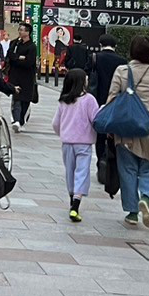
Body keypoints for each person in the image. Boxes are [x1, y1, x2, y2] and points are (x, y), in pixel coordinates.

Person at [107, 35, 149, 228]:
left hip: (127, 126)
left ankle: (132, 212)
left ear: (132, 51)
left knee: (127, 169)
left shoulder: (122, 70)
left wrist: (110, 125)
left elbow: (112, 98)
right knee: (148, 169)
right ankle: (146, 196)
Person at [52, 68, 100, 222]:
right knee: (82, 172)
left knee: (70, 172)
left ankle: (71, 198)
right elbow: (96, 120)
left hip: (67, 143)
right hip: (84, 143)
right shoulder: (89, 100)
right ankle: (76, 205)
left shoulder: (64, 100)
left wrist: (63, 133)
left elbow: (55, 123)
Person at [89, 35, 125, 182]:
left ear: (100, 44)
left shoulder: (95, 57)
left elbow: (89, 77)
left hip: (98, 101)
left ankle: (100, 163)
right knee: (114, 135)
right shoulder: (122, 61)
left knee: (100, 134)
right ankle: (111, 163)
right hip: (116, 103)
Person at [6, 22, 39, 130]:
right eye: (19, 29)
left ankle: (20, 121)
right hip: (15, 75)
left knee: (25, 100)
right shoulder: (15, 43)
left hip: (27, 77)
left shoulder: (32, 46)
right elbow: (10, 55)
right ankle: (16, 120)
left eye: (22, 30)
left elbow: (28, 62)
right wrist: (19, 58)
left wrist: (17, 59)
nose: (20, 31)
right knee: (16, 98)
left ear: (28, 32)